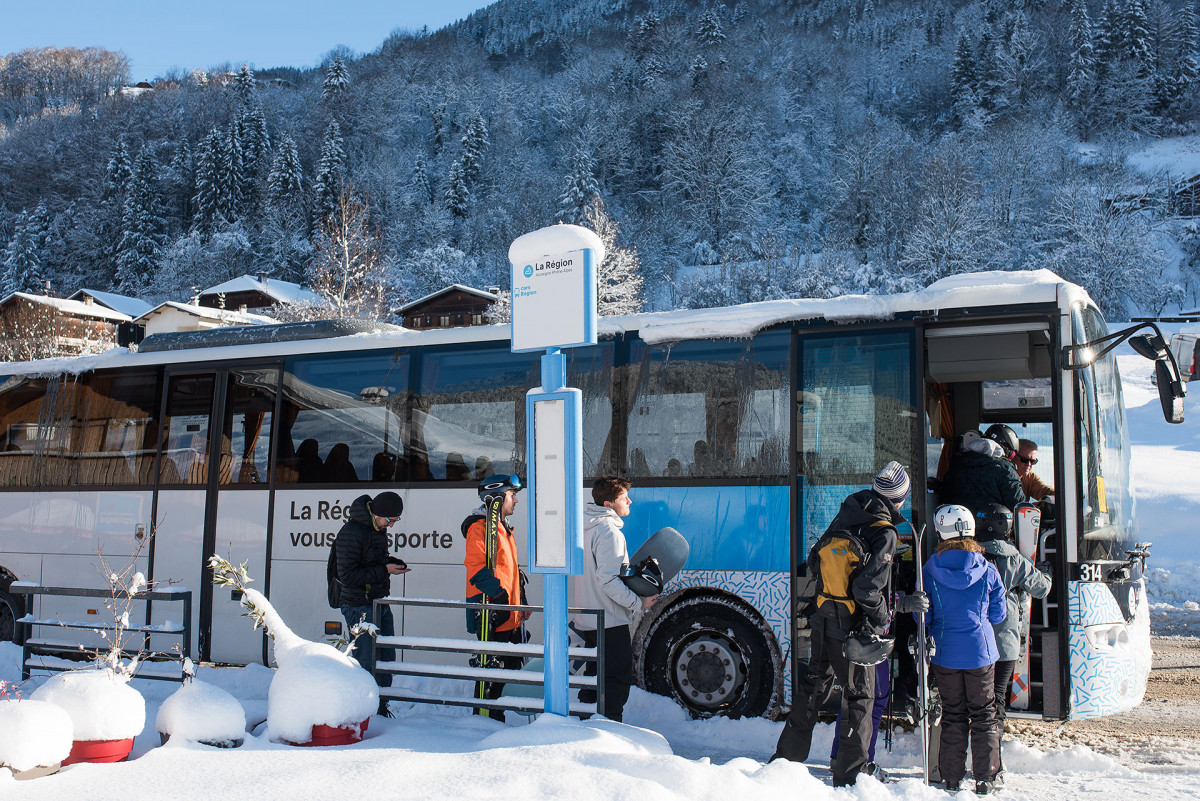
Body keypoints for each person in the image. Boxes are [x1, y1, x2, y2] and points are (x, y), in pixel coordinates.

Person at [772, 461, 928, 787]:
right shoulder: (885, 532)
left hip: (822, 618)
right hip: (854, 630)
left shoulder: (848, 511)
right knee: (859, 697)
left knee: (812, 689)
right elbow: (867, 590)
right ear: (900, 498)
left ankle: (784, 760)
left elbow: (815, 558)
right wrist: (885, 617)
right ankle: (850, 774)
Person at [921, 504, 1007, 795]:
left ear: (940, 533)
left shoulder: (929, 569)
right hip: (980, 652)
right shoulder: (988, 569)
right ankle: (986, 778)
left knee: (953, 713)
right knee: (984, 714)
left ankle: (951, 778)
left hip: (944, 652)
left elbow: (924, 617)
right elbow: (998, 615)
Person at [974, 503, 1052, 785]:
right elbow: (1041, 587)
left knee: (973, 700)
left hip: (975, 643)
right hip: (1005, 644)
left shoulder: (971, 555)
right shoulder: (1014, 559)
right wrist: (1045, 571)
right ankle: (993, 761)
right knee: (996, 701)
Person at [574, 477, 657, 722]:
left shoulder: (585, 528)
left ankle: (586, 724)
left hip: (589, 618)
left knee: (594, 678)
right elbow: (608, 581)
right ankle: (609, 728)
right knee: (617, 678)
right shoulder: (609, 533)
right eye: (623, 498)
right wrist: (638, 603)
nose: (629, 501)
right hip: (609, 620)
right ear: (608, 504)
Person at [462, 474, 530, 721]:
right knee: (491, 676)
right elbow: (476, 568)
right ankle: (485, 723)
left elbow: (510, 571)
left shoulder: (503, 528)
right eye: (512, 496)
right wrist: (499, 596)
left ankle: (496, 724)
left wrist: (521, 602)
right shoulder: (479, 528)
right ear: (497, 499)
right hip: (493, 615)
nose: (516, 501)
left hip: (509, 614)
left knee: (506, 675)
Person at [334, 490, 407, 716]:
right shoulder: (351, 532)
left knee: (386, 659)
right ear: (377, 514)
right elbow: (348, 575)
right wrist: (384, 570)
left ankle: (381, 708)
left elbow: (374, 561)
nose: (391, 525)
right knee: (365, 661)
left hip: (378, 600)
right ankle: (365, 712)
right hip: (358, 605)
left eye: (395, 521)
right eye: (390, 520)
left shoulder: (377, 530)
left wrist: (392, 563)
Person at [942, 424, 1024, 515]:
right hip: (993, 522)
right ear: (1006, 449)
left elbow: (945, 496)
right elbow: (1018, 506)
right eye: (1012, 455)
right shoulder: (1005, 469)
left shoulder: (957, 464)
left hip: (955, 520)